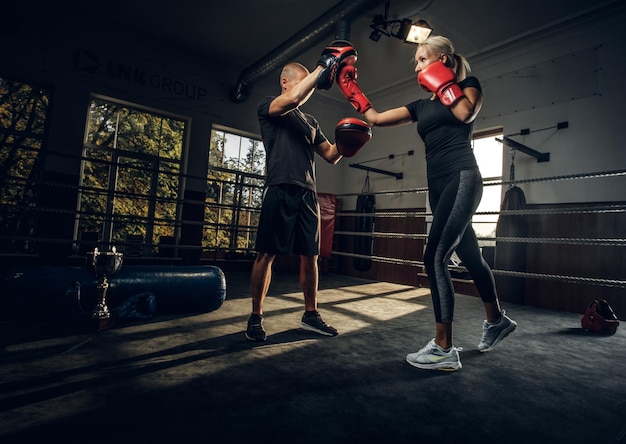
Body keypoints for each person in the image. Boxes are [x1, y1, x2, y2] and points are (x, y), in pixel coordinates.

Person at [335, 35, 517, 370]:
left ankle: (444, 349)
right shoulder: (420, 107)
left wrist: (445, 84)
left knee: (434, 256)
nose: (417, 67)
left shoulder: (467, 87)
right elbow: (375, 118)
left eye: (422, 60)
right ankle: (496, 321)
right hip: (440, 186)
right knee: (470, 255)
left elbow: (464, 113)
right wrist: (350, 89)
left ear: (443, 61)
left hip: (462, 177)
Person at [246, 42, 371, 342]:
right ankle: (255, 317)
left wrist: (348, 144)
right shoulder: (271, 106)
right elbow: (295, 97)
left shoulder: (310, 121)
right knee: (267, 254)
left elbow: (329, 154)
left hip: (307, 192)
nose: (307, 89)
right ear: (286, 82)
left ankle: (310, 315)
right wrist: (324, 66)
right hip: (280, 187)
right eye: (302, 83)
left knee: (311, 256)